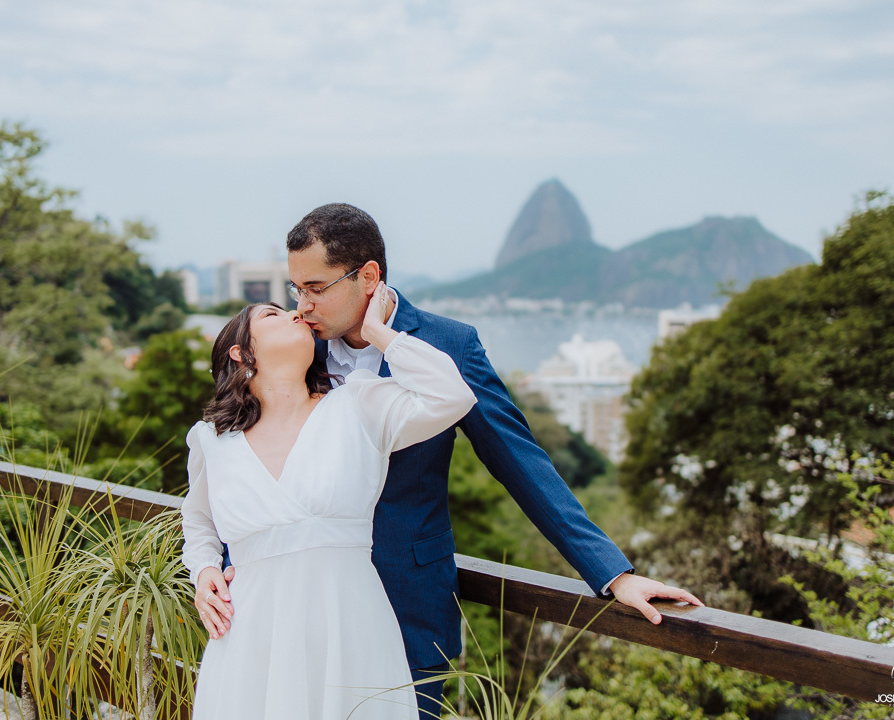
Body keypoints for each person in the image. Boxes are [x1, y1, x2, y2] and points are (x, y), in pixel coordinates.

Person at [195, 203, 703, 719]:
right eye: (295, 290)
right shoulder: (299, 350)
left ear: (368, 276)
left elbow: (519, 461)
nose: (301, 306)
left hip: (408, 601)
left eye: (316, 288)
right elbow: (238, 462)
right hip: (282, 612)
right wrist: (210, 565)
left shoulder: (449, 345)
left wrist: (613, 574)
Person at [181, 285, 477, 719]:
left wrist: (378, 332)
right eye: (272, 316)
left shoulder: (357, 405)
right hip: (251, 635)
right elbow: (198, 519)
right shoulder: (211, 439)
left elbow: (452, 396)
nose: (295, 313)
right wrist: (205, 567)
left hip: (348, 623)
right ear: (241, 354)